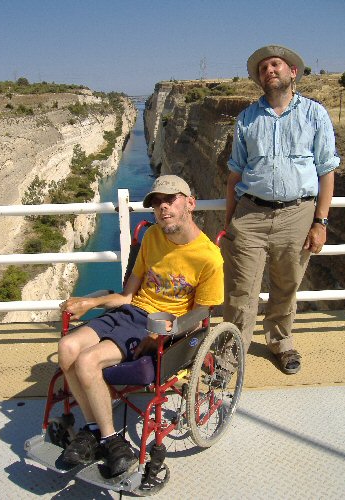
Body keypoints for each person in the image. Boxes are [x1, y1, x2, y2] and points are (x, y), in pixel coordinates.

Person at [58, 174, 224, 476]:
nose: (163, 208)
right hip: (130, 313)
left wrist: (170, 329)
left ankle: (111, 441)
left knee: (86, 361)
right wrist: (91, 303)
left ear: (190, 203)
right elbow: (126, 296)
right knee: (66, 346)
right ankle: (97, 430)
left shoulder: (209, 258)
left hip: (155, 325)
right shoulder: (151, 237)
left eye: (170, 199)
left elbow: (201, 311)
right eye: (157, 202)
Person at [221, 45, 340, 374]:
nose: (269, 71)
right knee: (240, 288)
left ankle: (280, 341)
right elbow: (235, 174)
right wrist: (230, 220)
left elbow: (326, 170)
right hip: (250, 214)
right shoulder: (247, 118)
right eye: (262, 69)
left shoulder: (314, 114)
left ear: (292, 72)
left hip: (297, 214)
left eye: (275, 65)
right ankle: (233, 350)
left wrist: (321, 222)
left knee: (287, 284)